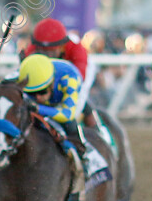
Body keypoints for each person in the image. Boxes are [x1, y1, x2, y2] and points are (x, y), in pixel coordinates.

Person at [18, 54, 107, 182]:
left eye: (42, 91)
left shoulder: (69, 79)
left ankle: (85, 156)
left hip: (65, 102)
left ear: (52, 82)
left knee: (70, 124)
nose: (38, 97)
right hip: (45, 97)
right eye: (32, 93)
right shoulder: (22, 75)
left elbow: (67, 114)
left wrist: (38, 108)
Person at [22, 18, 97, 127]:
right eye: (41, 50)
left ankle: (97, 133)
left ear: (62, 47)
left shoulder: (77, 50)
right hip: (51, 81)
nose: (46, 55)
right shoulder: (31, 50)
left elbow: (77, 82)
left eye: (50, 51)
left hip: (78, 77)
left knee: (75, 111)